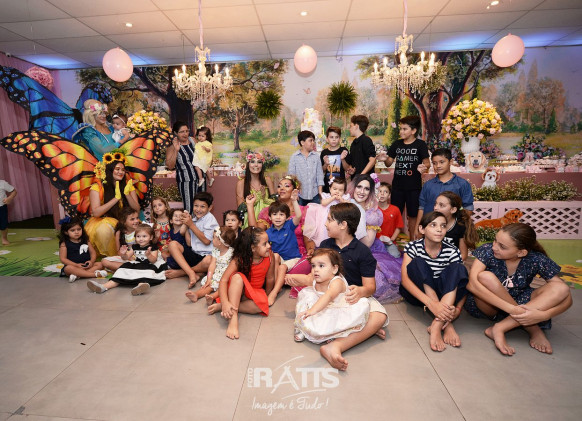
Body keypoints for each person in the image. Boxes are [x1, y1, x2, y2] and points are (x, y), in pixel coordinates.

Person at [286, 203, 389, 371]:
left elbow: (370, 287)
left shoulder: (362, 251)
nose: (325, 224)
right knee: (308, 302)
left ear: (343, 225)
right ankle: (360, 330)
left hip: (350, 297)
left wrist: (361, 291)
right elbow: (313, 277)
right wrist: (296, 279)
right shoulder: (325, 245)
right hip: (325, 294)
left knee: (380, 316)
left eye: (329, 220)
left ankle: (336, 345)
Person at [465, 223, 572, 356]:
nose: (494, 247)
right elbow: (472, 285)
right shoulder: (487, 251)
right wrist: (512, 309)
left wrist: (545, 315)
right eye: (495, 240)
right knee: (485, 277)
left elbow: (566, 297)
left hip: (521, 301)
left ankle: (500, 327)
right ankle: (533, 328)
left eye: (502, 246)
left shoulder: (536, 258)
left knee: (561, 287)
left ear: (521, 252)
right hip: (490, 305)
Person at [399, 211, 469, 352]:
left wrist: (458, 310)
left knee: (459, 268)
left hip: (444, 294)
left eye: (443, 226)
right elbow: (405, 280)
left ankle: (437, 325)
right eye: (433, 225)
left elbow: (460, 281)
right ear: (422, 229)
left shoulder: (452, 251)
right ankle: (446, 324)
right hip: (419, 294)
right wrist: (432, 304)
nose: (439, 229)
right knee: (418, 263)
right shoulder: (413, 247)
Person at [210, 227, 275, 340]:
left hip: (254, 292)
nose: (269, 246)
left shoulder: (269, 255)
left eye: (268, 242)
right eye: (264, 244)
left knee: (260, 307)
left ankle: (228, 306)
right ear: (253, 248)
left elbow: (270, 278)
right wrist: (225, 302)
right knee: (237, 277)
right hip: (237, 291)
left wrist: (267, 295)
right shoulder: (239, 259)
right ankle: (233, 319)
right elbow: (224, 280)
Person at [346, 174, 403, 303]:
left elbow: (367, 243)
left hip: (366, 249)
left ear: (371, 192)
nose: (362, 191)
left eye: (366, 189)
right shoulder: (345, 205)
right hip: (345, 247)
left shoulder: (372, 213)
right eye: (359, 187)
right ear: (353, 188)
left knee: (376, 276)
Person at [294, 248, 369, 344]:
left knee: (333, 323)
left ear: (334, 269)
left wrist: (312, 310)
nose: (316, 269)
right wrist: (290, 278)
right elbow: (306, 281)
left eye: (321, 266)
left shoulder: (337, 282)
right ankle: (303, 329)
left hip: (337, 307)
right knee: (306, 295)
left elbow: (328, 296)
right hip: (321, 303)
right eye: (313, 266)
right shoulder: (317, 279)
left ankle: (334, 334)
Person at [377, 115, 430, 239]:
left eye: (404, 129)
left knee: (413, 215)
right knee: (394, 214)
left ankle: (412, 241)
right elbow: (389, 163)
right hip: (397, 187)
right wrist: (385, 159)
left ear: (414, 130)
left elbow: (427, 163)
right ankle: (389, 240)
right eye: (400, 129)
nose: (401, 131)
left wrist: (423, 167)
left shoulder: (420, 145)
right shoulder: (396, 144)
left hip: (414, 187)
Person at [248, 192, 302, 306]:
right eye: (275, 214)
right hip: (278, 259)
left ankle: (274, 292)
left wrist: (294, 201)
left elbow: (298, 216)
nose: (278, 217)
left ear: (287, 217)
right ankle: (275, 286)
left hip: (293, 258)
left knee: (282, 267)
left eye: (281, 214)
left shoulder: (289, 225)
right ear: (269, 217)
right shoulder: (268, 233)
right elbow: (255, 234)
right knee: (275, 255)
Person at [257, 175, 315, 281]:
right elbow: (257, 234)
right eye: (279, 186)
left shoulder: (303, 211)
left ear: (295, 190)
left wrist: (310, 250)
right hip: (276, 257)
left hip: (296, 255)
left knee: (300, 269)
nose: (282, 188)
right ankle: (278, 283)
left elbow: (308, 237)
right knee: (274, 264)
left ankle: (282, 280)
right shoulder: (269, 210)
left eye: (286, 186)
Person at [87, 224, 167, 295]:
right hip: (138, 264)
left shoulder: (153, 247)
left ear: (151, 237)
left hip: (150, 265)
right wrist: (123, 254)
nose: (141, 239)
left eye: (144, 236)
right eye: (138, 236)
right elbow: (126, 257)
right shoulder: (135, 247)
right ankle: (104, 286)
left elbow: (153, 260)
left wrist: (149, 255)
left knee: (146, 274)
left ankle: (141, 286)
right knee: (122, 270)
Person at [86, 155, 140, 257]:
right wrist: (116, 198)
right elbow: (96, 213)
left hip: (125, 221)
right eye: (117, 169)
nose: (121, 172)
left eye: (123, 170)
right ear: (110, 170)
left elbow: (136, 210)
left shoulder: (128, 186)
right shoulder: (97, 187)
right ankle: (112, 256)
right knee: (104, 229)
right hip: (103, 221)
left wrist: (127, 194)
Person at [414, 148, 474, 239]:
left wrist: (457, 226)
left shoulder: (462, 184)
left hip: (452, 233)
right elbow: (421, 208)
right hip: (429, 230)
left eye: (442, 162)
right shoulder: (428, 185)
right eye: (434, 163)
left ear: (450, 162)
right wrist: (417, 228)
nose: (438, 166)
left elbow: (468, 208)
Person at [166, 192, 218, 288]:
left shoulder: (210, 220)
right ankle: (193, 273)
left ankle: (182, 272)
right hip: (194, 254)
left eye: (202, 207)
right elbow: (189, 243)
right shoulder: (194, 219)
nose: (198, 209)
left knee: (210, 261)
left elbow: (206, 241)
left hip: (205, 256)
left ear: (210, 208)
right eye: (196, 206)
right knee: (172, 244)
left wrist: (191, 225)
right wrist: (186, 225)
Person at [186, 226, 236, 304]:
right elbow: (212, 265)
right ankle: (196, 294)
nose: (212, 240)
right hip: (216, 276)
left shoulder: (232, 253)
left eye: (213, 238)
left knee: (224, 288)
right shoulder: (216, 251)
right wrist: (209, 278)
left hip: (226, 277)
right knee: (208, 286)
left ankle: (212, 297)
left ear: (220, 242)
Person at [303, 177, 350, 246]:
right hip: (325, 218)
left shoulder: (344, 197)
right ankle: (322, 242)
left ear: (344, 191)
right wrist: (333, 198)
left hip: (338, 218)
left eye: (340, 190)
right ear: (330, 189)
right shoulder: (326, 196)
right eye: (335, 189)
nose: (337, 192)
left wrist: (341, 200)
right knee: (324, 231)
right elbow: (323, 203)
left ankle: (336, 244)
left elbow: (349, 205)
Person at [58, 217, 107, 283]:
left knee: (100, 264)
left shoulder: (85, 240)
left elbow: (93, 252)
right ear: (66, 232)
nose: (76, 232)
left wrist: (91, 261)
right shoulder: (64, 243)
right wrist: (76, 265)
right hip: (74, 266)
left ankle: (78, 275)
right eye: (72, 230)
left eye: (79, 229)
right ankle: (94, 275)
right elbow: (63, 259)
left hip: (86, 265)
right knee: (68, 268)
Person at [165, 121, 200, 214]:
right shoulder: (172, 147)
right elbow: (170, 166)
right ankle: (189, 223)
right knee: (189, 208)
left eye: (187, 131)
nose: (185, 134)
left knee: (201, 206)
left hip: (200, 179)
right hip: (186, 181)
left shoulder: (193, 140)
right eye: (182, 132)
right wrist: (176, 150)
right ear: (175, 133)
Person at [433, 191, 478, 260]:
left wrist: (447, 263)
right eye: (435, 204)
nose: (436, 208)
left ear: (453, 210)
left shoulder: (460, 227)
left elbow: (463, 255)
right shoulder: (430, 223)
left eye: (441, 205)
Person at [235, 152, 274, 228]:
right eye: (252, 162)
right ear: (248, 164)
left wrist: (264, 198)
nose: (256, 165)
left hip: (267, 218)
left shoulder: (267, 180)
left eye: (259, 162)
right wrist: (257, 198)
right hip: (249, 219)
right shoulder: (241, 183)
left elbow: (275, 203)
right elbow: (240, 208)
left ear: (262, 165)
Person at [288, 130, 324, 205]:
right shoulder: (294, 157)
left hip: (315, 195)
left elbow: (319, 175)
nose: (313, 143)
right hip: (300, 195)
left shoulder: (316, 156)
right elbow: (292, 177)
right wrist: (295, 191)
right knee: (300, 212)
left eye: (313, 140)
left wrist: (320, 192)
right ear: (302, 142)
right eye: (310, 140)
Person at [101, 207, 140, 272]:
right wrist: (123, 254)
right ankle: (130, 269)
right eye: (132, 219)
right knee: (104, 261)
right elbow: (118, 252)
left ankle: (127, 269)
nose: (136, 221)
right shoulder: (119, 233)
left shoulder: (141, 230)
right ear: (123, 222)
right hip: (125, 258)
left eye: (137, 218)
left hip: (139, 256)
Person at [376, 182, 404, 258]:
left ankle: (396, 248)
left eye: (385, 192)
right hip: (374, 241)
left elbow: (399, 227)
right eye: (380, 191)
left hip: (390, 242)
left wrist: (392, 240)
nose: (382, 194)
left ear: (389, 196)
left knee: (395, 256)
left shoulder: (395, 209)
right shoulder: (372, 209)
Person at [320, 126, 349, 192]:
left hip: (340, 186)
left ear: (339, 139)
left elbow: (347, 169)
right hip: (327, 186)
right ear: (327, 139)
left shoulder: (343, 150)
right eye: (331, 137)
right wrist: (326, 164)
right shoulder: (324, 152)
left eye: (336, 137)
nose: (334, 139)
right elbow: (322, 170)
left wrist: (342, 159)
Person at [0, 179, 16, 245]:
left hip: (1, 207)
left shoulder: (2, 183)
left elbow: (14, 191)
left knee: (3, 225)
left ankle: (4, 238)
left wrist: (9, 198)